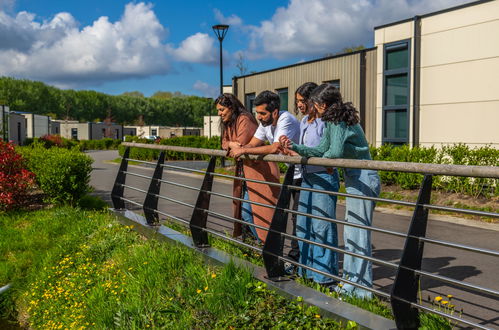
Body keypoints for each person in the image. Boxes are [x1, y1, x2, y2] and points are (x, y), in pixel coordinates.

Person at [280, 83, 381, 299]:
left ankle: (361, 290)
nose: (312, 108)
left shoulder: (339, 121)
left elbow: (333, 152)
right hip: (355, 177)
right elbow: (320, 150)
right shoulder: (333, 120)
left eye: (314, 104)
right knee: (353, 235)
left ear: (323, 104)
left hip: (363, 177)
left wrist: (325, 160)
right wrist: (295, 148)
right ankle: (353, 286)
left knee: (359, 235)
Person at [280, 82, 340, 286]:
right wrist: (292, 150)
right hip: (307, 176)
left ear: (314, 101)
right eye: (297, 102)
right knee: (304, 225)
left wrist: (325, 160)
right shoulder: (305, 121)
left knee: (321, 226)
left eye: (302, 101)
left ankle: (325, 278)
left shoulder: (327, 121)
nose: (300, 105)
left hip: (324, 176)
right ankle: (306, 272)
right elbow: (308, 150)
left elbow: (329, 149)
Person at [228, 90, 300, 243]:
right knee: (248, 212)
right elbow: (253, 144)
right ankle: (267, 247)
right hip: (292, 172)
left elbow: (274, 147)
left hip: (304, 174)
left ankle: (291, 257)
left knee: (298, 218)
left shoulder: (285, 119)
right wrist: (236, 146)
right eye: (257, 113)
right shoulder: (265, 124)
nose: (258, 117)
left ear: (275, 112)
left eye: (262, 113)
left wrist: (243, 150)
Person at [216, 93, 280, 244]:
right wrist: (231, 144)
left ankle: (266, 247)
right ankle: (258, 246)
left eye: (221, 110)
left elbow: (242, 144)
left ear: (231, 107)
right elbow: (225, 143)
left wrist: (232, 144)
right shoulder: (229, 122)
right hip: (246, 173)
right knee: (246, 212)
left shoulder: (244, 118)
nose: (219, 114)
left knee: (256, 213)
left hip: (259, 172)